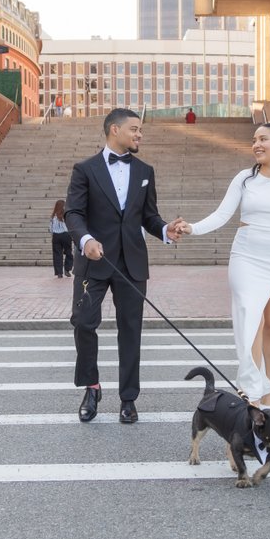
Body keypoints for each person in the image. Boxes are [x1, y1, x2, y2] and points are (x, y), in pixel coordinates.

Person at [175, 122, 270, 408]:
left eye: (263, 139)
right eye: (254, 140)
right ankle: (252, 394)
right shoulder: (244, 179)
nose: (256, 144)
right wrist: (192, 227)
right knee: (250, 321)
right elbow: (221, 215)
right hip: (247, 255)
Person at [65, 108, 185, 424]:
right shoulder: (85, 169)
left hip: (132, 264)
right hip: (94, 260)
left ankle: (128, 399)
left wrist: (164, 230)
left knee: (131, 331)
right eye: (134, 129)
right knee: (83, 323)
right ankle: (91, 387)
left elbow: (149, 216)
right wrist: (85, 240)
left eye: (140, 130)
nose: (139, 135)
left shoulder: (145, 170)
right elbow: (73, 214)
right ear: (114, 130)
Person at [49, 199, 73, 278]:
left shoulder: (53, 216)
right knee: (68, 252)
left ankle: (59, 272)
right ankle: (67, 269)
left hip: (56, 236)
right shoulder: (66, 215)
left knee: (57, 254)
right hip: (66, 235)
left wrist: (53, 234)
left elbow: (50, 228)